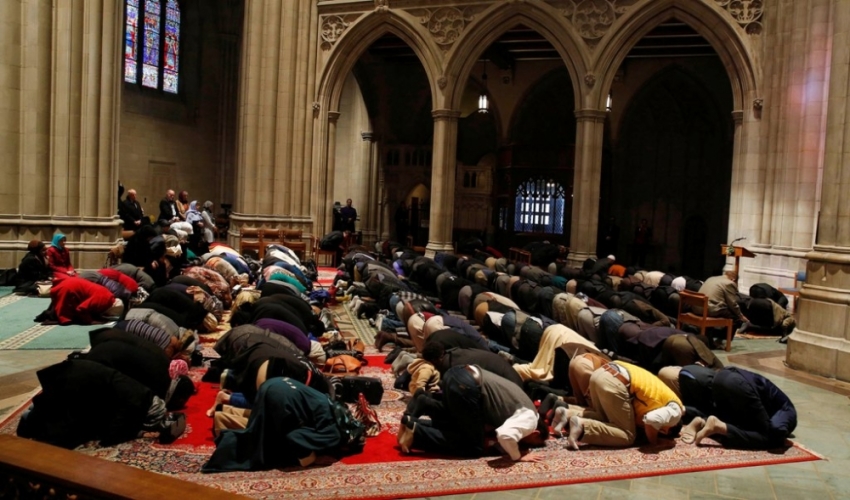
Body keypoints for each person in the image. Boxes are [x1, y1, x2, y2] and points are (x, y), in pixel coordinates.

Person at [397, 365, 543, 462]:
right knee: (474, 446)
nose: (527, 444)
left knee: (459, 425)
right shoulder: (529, 419)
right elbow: (505, 435)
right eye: (533, 443)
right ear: (535, 432)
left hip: (456, 374)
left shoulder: (524, 404)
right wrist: (518, 456)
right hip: (467, 385)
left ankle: (412, 423)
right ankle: (417, 435)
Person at [564, 361, 683, 450]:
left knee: (606, 419)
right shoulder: (675, 413)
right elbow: (652, 420)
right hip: (616, 381)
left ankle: (566, 414)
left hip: (603, 372)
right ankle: (583, 426)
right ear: (667, 430)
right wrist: (655, 442)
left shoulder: (664, 399)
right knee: (627, 436)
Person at [695, 271, 750, 336]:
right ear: (733, 279)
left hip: (696, 307)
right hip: (709, 310)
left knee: (724, 311)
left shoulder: (711, 278)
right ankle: (721, 339)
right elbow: (732, 303)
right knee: (736, 318)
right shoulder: (729, 283)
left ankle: (710, 339)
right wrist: (741, 316)